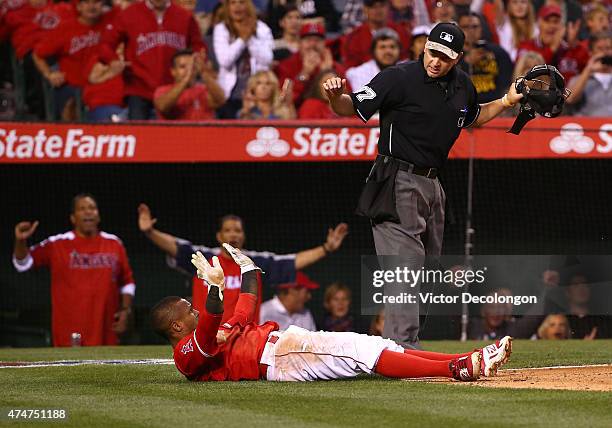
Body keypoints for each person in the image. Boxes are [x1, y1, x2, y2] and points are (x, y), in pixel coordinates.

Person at [322, 22, 524, 348]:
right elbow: (352, 106)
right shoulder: (398, 77)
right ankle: (402, 352)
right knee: (404, 273)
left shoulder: (463, 86)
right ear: (424, 46)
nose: (435, 61)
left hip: (433, 186)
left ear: (458, 58)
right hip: (395, 179)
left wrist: (506, 100)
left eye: (444, 56)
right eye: (432, 52)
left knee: (427, 275)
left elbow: (474, 118)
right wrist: (334, 96)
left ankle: (407, 345)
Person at [151, 243, 513, 382]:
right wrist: (214, 288)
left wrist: (247, 270)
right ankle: (457, 368)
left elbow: (243, 310)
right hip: (279, 358)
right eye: (188, 310)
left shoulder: (212, 333)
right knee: (364, 353)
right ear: (176, 325)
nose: (194, 310)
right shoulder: (186, 354)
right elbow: (212, 319)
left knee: (380, 345)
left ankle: (465, 358)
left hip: (287, 346)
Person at [138, 203, 348, 319]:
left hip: (243, 339)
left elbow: (291, 262)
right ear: (219, 236)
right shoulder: (204, 259)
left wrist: (326, 249)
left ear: (244, 236)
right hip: (207, 337)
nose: (233, 235)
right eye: (228, 230)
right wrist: (149, 232)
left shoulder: (254, 262)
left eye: (237, 231)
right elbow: (177, 247)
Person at [12, 194, 136, 347]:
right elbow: (23, 263)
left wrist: (126, 310)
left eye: (92, 208)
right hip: (70, 331)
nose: (88, 212)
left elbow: (127, 282)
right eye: (82, 209)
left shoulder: (114, 243)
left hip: (107, 331)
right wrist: (20, 240)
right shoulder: (57, 244)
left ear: (98, 216)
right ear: (73, 218)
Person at [102, 0, 206, 120]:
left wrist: (198, 59)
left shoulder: (184, 16)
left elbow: (198, 45)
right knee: (140, 135)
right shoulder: (129, 14)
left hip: (173, 90)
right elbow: (106, 44)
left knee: (174, 135)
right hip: (139, 88)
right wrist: (113, 60)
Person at [32, 0, 112, 121]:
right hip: (73, 86)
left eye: (96, 2)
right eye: (86, 3)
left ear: (103, 5)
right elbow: (37, 54)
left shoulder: (110, 21)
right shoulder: (66, 28)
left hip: (103, 86)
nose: (91, 7)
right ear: (79, 7)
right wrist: (49, 74)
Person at [213, 0, 274, 118]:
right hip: (230, 96)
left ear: (248, 6)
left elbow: (267, 60)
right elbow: (225, 61)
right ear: (227, 7)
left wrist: (250, 38)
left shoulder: (262, 29)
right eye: (233, 3)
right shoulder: (221, 29)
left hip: (258, 95)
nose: (237, 7)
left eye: (241, 2)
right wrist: (242, 39)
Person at [275, 21, 346, 107]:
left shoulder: (335, 67)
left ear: (324, 44)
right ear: (299, 43)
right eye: (308, 40)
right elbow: (284, 101)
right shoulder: (286, 66)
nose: (313, 44)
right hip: (297, 116)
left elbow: (347, 99)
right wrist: (304, 74)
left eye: (317, 40)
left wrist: (327, 73)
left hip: (327, 115)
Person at [516, 4, 588, 82]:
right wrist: (552, 49)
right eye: (547, 21)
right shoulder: (527, 47)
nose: (551, 26)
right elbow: (524, 75)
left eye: (555, 22)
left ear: (562, 26)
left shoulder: (569, 50)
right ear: (539, 23)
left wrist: (574, 45)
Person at [154, 49, 226, 120]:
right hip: (175, 131)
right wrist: (186, 79)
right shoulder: (162, 91)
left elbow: (221, 100)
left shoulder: (203, 90)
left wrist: (203, 72)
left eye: (192, 66)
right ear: (173, 71)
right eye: (182, 67)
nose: (189, 70)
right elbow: (162, 106)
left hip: (203, 131)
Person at [458, 12, 512, 103]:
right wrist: (466, 63)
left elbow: (506, 82)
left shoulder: (497, 52)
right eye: (465, 27)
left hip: (494, 103)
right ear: (458, 29)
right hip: (465, 103)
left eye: (475, 27)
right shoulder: (454, 54)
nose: (470, 31)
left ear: (481, 29)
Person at [340, 0, 410, 68]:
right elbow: (350, 69)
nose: (378, 10)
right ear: (365, 9)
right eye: (372, 6)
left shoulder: (402, 32)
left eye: (382, 5)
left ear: (388, 7)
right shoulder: (353, 37)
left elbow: (407, 60)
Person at [566, 32, 612, 117]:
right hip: (589, 127)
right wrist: (588, 70)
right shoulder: (579, 79)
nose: (605, 52)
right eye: (600, 49)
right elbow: (569, 99)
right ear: (591, 52)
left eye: (608, 48)